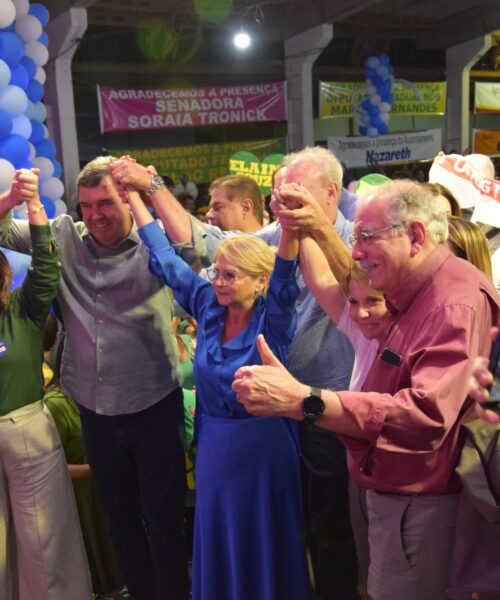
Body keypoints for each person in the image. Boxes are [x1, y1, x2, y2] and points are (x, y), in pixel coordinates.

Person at [233, 179, 500, 600]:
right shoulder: (418, 290)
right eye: (355, 237)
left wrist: (307, 400)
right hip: (392, 495)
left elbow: (426, 416)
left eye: (366, 237)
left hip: (417, 503)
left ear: (414, 236)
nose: (355, 252)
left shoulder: (452, 303)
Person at [0, 156, 194, 600]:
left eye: (105, 202)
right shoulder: (65, 235)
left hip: (153, 404)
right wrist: (13, 199)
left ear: (126, 199)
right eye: (86, 205)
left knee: (164, 520)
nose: (95, 214)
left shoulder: (154, 241)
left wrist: (153, 186)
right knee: (120, 520)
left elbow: (194, 247)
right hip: (95, 408)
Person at [115, 176, 310, 600]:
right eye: (216, 273)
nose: (218, 281)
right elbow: (167, 260)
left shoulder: (273, 320)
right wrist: (134, 197)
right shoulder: (207, 305)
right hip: (215, 450)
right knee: (220, 539)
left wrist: (291, 229)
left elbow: (286, 275)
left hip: (265, 453)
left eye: (230, 275)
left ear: (260, 282)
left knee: (264, 543)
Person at [0, 169, 92, 599]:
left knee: (45, 540)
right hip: (20, 437)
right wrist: (8, 200)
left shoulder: (23, 309)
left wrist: (31, 204)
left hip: (26, 432)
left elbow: (46, 262)